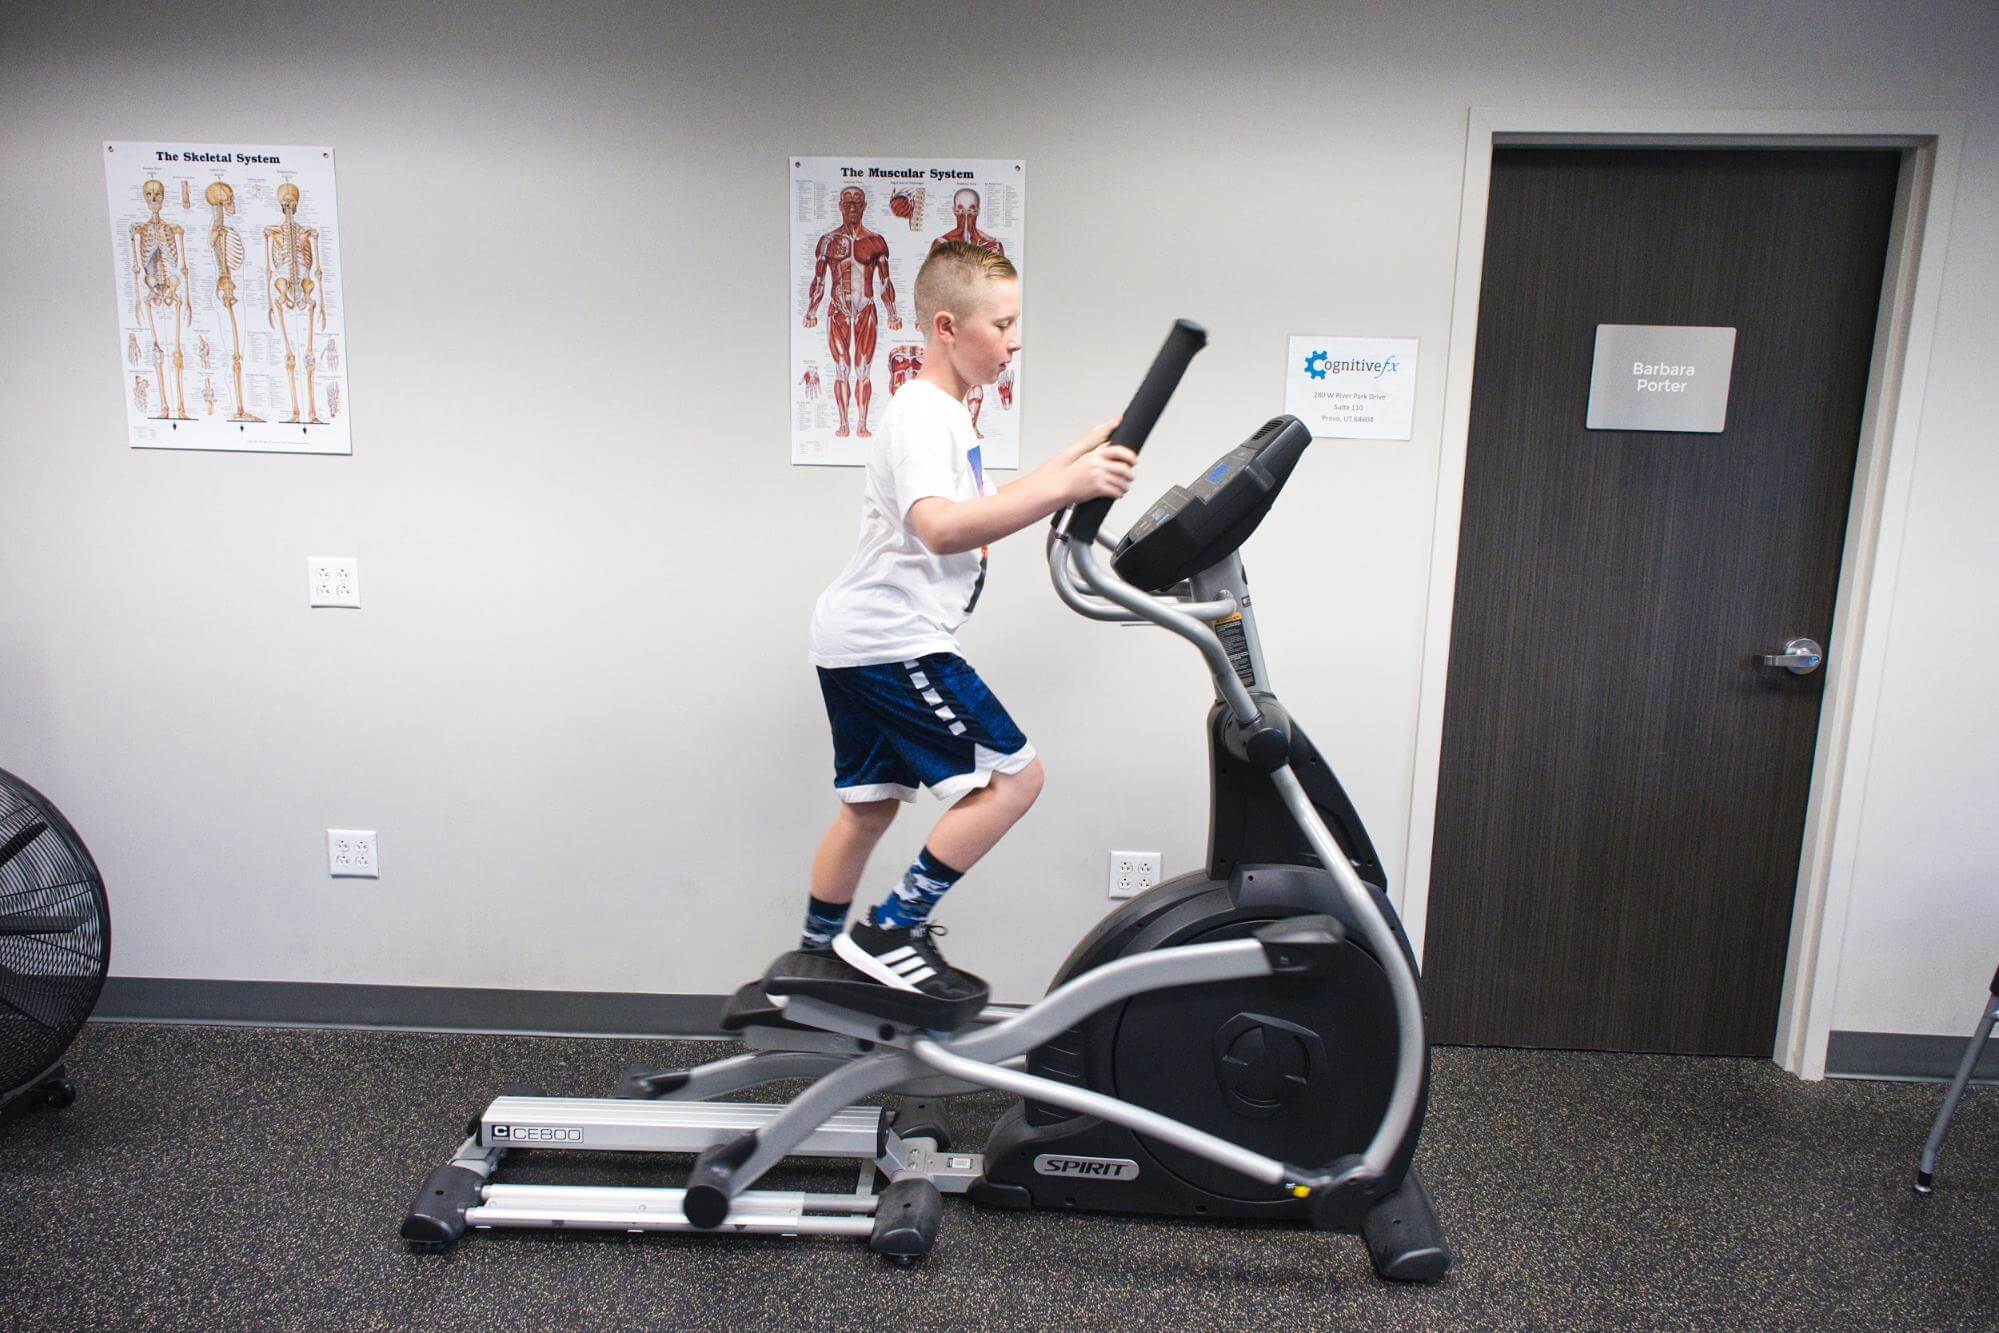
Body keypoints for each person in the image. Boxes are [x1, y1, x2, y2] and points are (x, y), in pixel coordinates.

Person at [801, 240, 1136, 999]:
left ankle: (816, 957)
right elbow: (943, 527)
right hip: (893, 639)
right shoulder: (924, 414)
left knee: (868, 806)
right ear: (947, 327)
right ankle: (893, 930)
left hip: (853, 637)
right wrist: (1068, 486)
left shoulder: (942, 412)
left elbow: (978, 509)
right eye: (1002, 325)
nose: (1014, 342)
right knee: (1016, 779)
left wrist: (1078, 457)